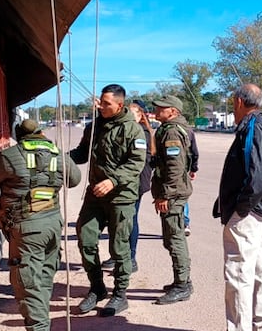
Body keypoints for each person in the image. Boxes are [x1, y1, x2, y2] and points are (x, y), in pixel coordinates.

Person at [0, 119, 81, 331]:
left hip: (27, 229)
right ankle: (42, 321)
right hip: (52, 225)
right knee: (43, 277)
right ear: (41, 133)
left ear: (20, 135)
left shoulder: (11, 155)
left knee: (27, 282)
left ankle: (39, 327)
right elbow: (74, 179)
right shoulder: (57, 154)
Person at [69, 84, 146, 317]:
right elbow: (81, 154)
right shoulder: (94, 127)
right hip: (95, 195)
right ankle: (97, 288)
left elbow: (136, 163)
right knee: (86, 238)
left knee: (119, 247)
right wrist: (58, 158)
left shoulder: (133, 129)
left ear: (119, 105)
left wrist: (113, 180)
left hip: (121, 196)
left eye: (106, 104)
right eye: (101, 102)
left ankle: (120, 294)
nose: (101, 107)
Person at [213, 84, 262, 331]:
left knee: (238, 274)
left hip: (247, 213)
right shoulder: (258, 125)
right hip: (253, 211)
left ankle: (241, 327)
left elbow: (258, 175)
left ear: (239, 102)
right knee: (256, 269)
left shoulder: (254, 127)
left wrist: (241, 208)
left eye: (233, 102)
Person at [101, 100, 155, 272]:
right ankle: (117, 255)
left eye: (133, 113)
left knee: (129, 220)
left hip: (136, 181)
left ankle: (130, 257)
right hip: (122, 181)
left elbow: (134, 162)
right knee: (115, 220)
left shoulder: (142, 132)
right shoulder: (125, 129)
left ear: (140, 116)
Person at [151, 95, 195, 304]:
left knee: (175, 239)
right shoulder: (169, 128)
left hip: (173, 193)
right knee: (171, 239)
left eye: (162, 107)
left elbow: (175, 167)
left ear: (173, 112)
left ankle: (182, 285)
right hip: (174, 191)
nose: (157, 110)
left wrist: (165, 195)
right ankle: (183, 280)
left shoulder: (171, 131)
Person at [183, 128, 199, 236]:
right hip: (184, 169)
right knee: (183, 197)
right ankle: (184, 223)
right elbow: (194, 152)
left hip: (176, 170)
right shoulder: (188, 130)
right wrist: (193, 168)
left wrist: (193, 168)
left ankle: (183, 223)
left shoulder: (165, 129)